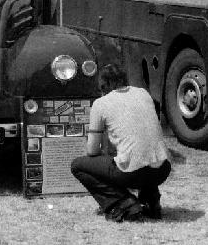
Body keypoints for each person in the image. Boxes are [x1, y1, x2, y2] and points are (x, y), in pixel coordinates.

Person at [71, 63, 171, 222]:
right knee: (143, 152)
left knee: (78, 165)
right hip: (162, 169)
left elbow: (92, 151)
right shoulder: (143, 93)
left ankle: (123, 203)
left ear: (102, 84)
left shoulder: (101, 103)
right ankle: (151, 200)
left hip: (133, 173)